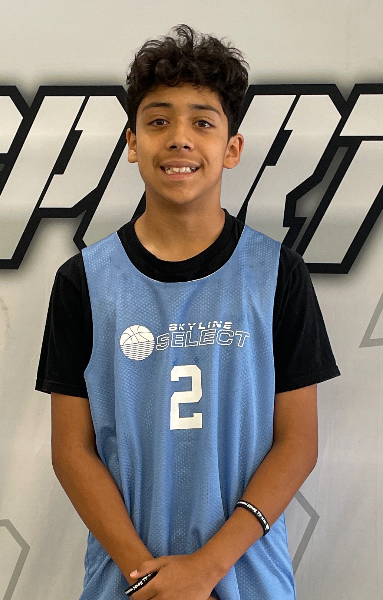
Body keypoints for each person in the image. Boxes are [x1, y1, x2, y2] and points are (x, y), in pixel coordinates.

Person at [36, 24, 340, 600]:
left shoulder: (278, 274)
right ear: (131, 143)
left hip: (247, 578)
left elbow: (298, 443)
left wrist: (206, 568)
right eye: (158, 121)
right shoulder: (84, 282)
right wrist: (146, 575)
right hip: (128, 582)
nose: (179, 139)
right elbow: (71, 451)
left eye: (202, 122)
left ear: (232, 148)